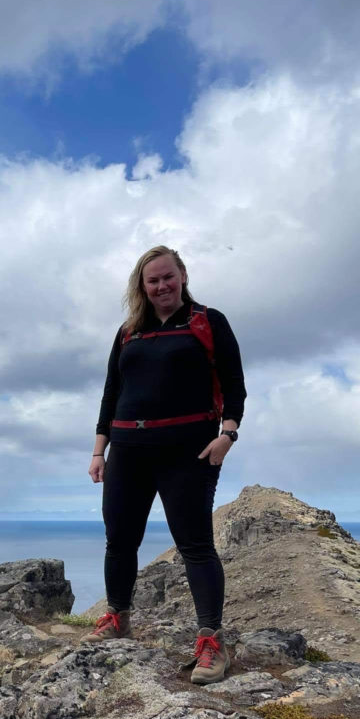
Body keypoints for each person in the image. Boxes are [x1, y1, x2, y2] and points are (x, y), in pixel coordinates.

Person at [85, 245, 246, 685]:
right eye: (152, 280)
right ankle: (117, 617)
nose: (161, 286)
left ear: (182, 275)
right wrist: (100, 450)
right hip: (128, 451)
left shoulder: (207, 322)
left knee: (195, 545)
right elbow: (110, 394)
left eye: (168, 277)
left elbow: (234, 384)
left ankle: (211, 643)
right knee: (119, 540)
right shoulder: (128, 331)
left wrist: (227, 436)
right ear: (142, 286)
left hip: (188, 451)